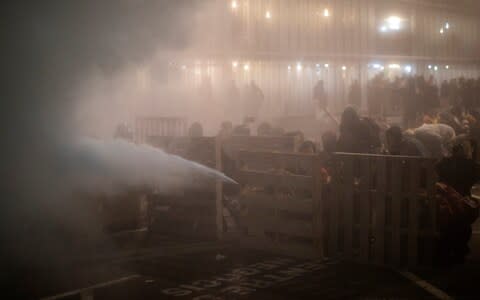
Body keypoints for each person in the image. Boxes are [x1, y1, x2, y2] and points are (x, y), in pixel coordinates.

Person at [435, 140, 480, 265]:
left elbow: (437, 173)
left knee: (447, 226)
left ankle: (445, 251)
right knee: (463, 226)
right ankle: (459, 251)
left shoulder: (444, 163)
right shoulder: (472, 165)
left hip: (446, 198)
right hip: (463, 199)